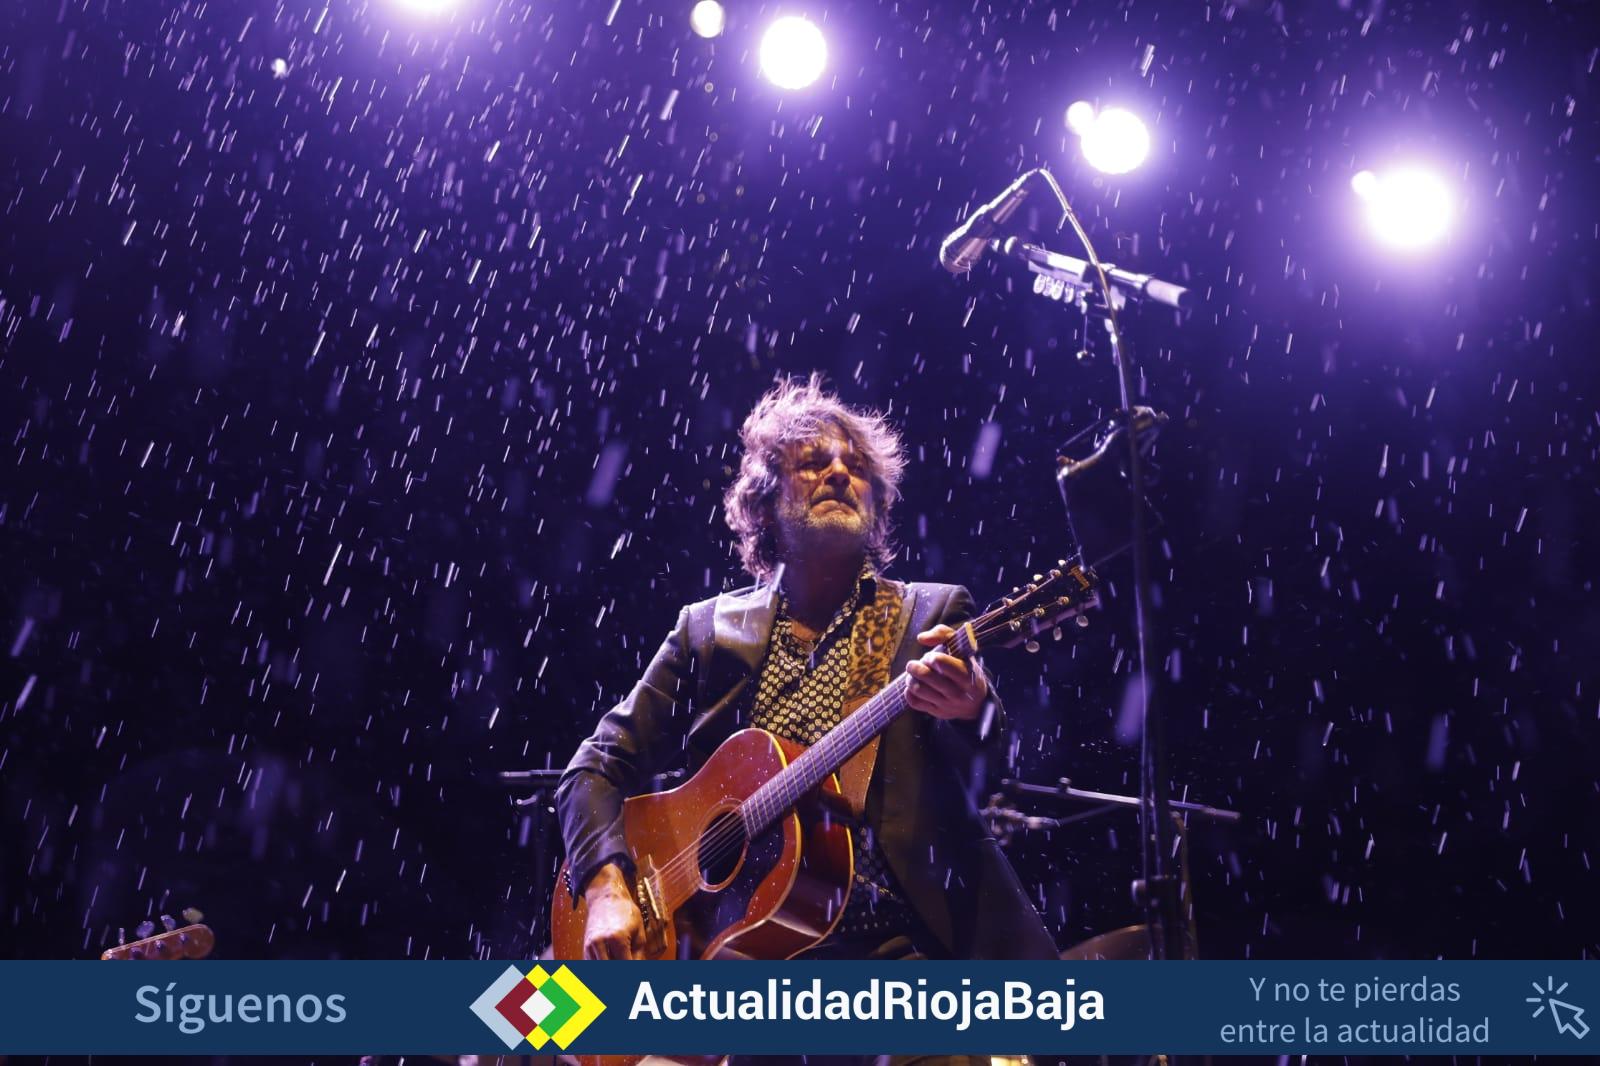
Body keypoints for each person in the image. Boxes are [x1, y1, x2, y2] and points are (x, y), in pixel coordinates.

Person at [555, 374, 1058, 968]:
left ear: (877, 506)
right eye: (814, 463)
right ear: (766, 502)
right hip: (723, 958)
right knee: (525, 1012)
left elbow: (988, 771)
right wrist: (606, 888)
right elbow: (593, 767)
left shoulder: (927, 616)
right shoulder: (708, 630)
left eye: (857, 468)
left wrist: (972, 708)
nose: (840, 473)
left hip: (892, 955)